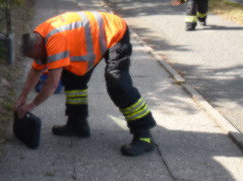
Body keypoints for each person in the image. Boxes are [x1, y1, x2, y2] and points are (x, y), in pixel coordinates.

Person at [15, 11, 157, 157]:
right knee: (72, 77)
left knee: (118, 84)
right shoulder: (38, 38)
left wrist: (31, 105)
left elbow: (52, 83)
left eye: (36, 56)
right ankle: (77, 125)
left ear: (39, 46)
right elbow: (35, 71)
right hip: (92, 40)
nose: (39, 60)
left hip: (115, 32)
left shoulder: (55, 41)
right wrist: (23, 96)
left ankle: (144, 136)